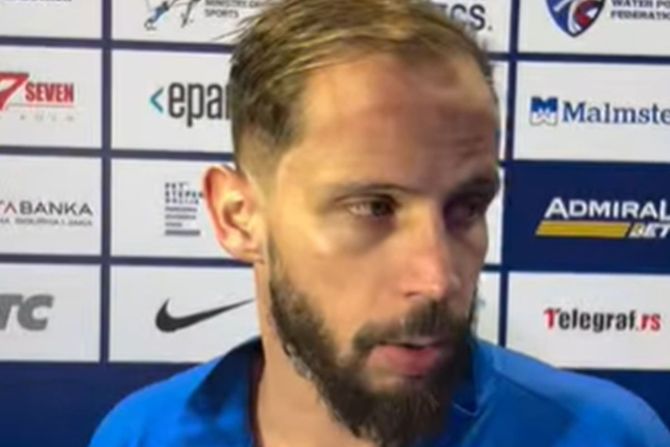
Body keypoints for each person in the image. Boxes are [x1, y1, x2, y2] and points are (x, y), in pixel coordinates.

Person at [90, 1, 670, 446]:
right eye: (373, 207)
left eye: (466, 208)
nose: (438, 279)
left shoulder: (606, 437)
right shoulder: (142, 436)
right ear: (238, 217)